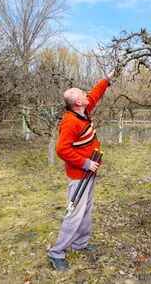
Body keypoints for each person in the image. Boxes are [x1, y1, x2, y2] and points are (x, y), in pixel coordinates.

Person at [47, 70, 117, 271]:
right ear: (77, 102)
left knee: (86, 210)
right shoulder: (70, 121)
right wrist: (85, 163)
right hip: (80, 175)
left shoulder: (83, 112)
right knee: (75, 214)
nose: (86, 95)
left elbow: (95, 93)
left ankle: (80, 244)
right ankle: (56, 252)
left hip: (90, 173)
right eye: (82, 94)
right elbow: (61, 149)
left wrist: (107, 79)